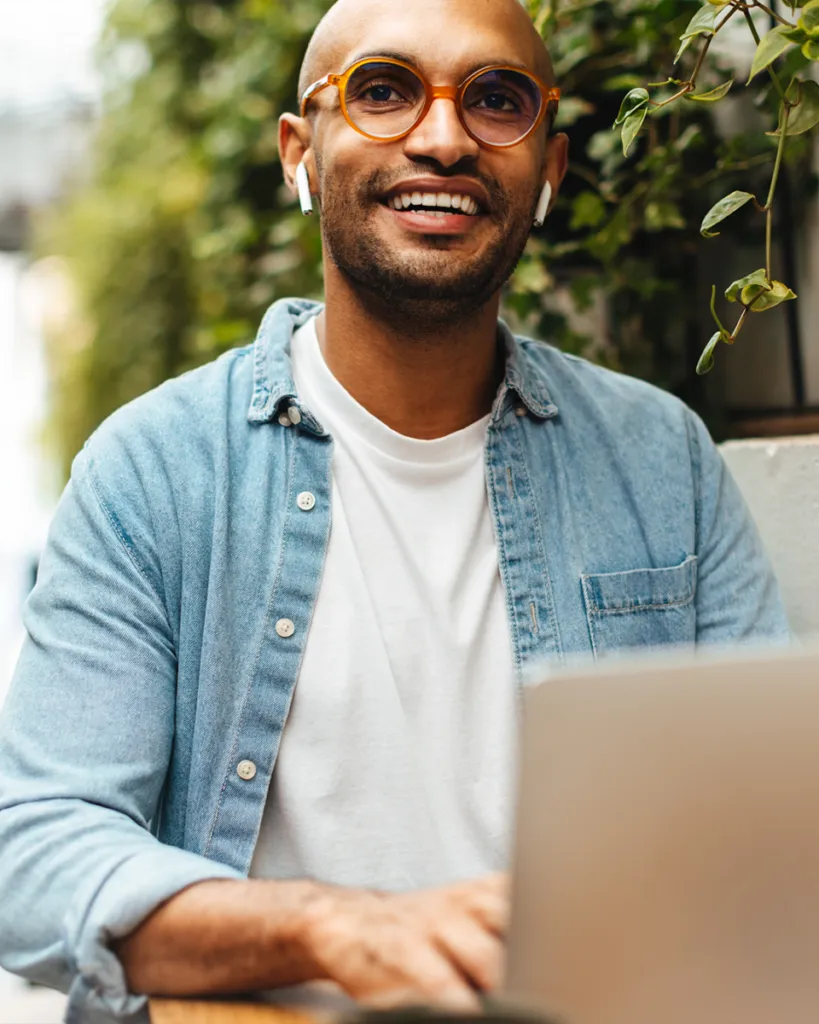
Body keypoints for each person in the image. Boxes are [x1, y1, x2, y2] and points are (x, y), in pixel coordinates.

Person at [0, 0, 788, 1020]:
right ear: (302, 154)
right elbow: (35, 851)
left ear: (547, 171)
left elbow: (762, 834)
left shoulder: (660, 458)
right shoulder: (155, 472)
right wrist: (335, 926)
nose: (445, 136)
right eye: (382, 90)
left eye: (497, 101)